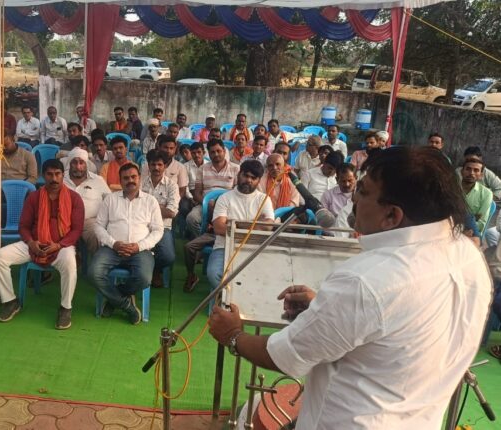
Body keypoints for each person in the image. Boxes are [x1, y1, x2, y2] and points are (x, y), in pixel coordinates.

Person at [208, 146, 492, 429]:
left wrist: (233, 335)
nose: (354, 197)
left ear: (392, 216)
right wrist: (327, 310)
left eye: (364, 192)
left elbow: (286, 355)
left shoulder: (365, 280)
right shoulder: (469, 257)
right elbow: (402, 326)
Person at [0, 159, 84, 329]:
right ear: (43, 175)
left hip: (61, 246)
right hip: (34, 244)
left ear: (63, 175)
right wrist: (30, 242)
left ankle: (65, 307)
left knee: (70, 264)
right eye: (49, 174)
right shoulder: (34, 197)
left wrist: (59, 245)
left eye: (57, 174)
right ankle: (11, 301)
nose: (54, 179)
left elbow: (77, 230)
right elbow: (23, 226)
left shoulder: (74, 198)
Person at [90, 163, 163, 325]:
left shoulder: (150, 201)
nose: (130, 181)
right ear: (120, 181)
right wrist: (113, 243)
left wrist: (139, 246)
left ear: (140, 178)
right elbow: (98, 226)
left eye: (133, 177)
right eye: (126, 178)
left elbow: (158, 230)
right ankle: (126, 305)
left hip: (140, 250)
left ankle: (113, 299)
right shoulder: (110, 199)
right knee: (94, 272)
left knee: (144, 278)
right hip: (112, 249)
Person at [206, 160, 274, 288]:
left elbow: (268, 227)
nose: (248, 180)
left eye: (253, 178)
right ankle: (225, 297)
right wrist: (255, 224)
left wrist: (234, 224)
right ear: (239, 174)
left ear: (259, 180)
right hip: (224, 246)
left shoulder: (264, 199)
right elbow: (219, 228)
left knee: (263, 276)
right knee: (214, 274)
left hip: (253, 247)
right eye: (245, 175)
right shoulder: (225, 198)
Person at [141, 149, 179, 288]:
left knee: (169, 256)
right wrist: (160, 207)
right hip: (141, 225)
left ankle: (155, 270)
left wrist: (148, 207)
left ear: (165, 166)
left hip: (163, 227)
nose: (156, 168)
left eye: (160, 164)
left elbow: (171, 212)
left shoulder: (172, 186)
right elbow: (134, 207)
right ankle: (143, 270)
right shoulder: (140, 183)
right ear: (148, 165)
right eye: (153, 164)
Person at [187, 139, 240, 237]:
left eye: (218, 151)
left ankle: (214, 237)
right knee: (191, 219)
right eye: (212, 152)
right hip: (206, 205)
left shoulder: (236, 168)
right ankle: (205, 239)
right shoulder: (202, 169)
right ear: (209, 153)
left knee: (236, 222)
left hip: (228, 205)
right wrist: (206, 203)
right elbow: (197, 193)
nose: (216, 154)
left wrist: (220, 203)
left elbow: (237, 192)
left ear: (224, 151)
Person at [63, 148, 110, 255]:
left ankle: (96, 263)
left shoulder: (97, 180)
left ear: (86, 164)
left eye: (81, 163)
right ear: (69, 163)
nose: (78, 167)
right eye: (74, 162)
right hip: (64, 221)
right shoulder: (61, 179)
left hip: (89, 221)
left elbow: (109, 200)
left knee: (97, 235)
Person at [460, 157, 493, 232]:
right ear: (462, 171)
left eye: (476, 170)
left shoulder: (486, 194)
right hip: (448, 230)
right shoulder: (452, 189)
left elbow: (481, 223)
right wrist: (472, 218)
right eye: (468, 169)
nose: (471, 173)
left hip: (472, 233)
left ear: (481, 175)